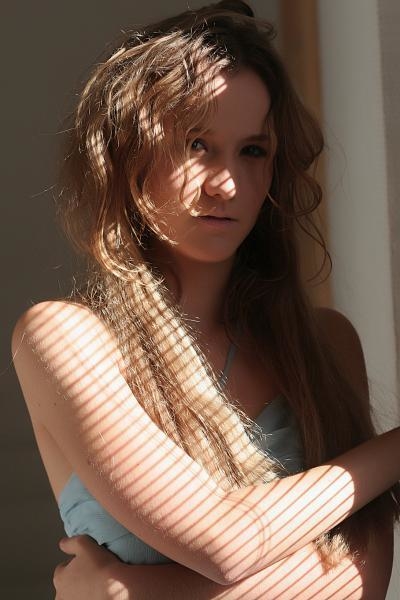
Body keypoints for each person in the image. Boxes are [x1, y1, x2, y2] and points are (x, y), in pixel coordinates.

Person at [12, 1, 400, 598]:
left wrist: (134, 591)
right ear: (125, 154)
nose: (227, 184)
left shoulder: (325, 344)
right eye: (197, 144)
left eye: (253, 151)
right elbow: (226, 543)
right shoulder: (67, 339)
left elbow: (360, 582)